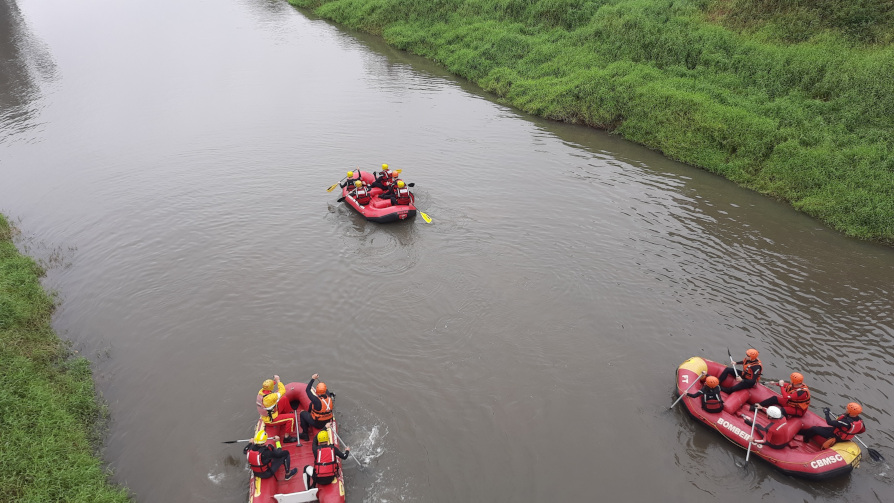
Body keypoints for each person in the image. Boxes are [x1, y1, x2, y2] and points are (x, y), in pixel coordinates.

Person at [799, 402, 866, 449]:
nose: (846, 409)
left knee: (814, 429)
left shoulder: (846, 422)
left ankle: (805, 440)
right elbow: (862, 430)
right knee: (818, 428)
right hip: (839, 433)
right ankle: (799, 432)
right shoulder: (860, 420)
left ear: (850, 411)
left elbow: (829, 422)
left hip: (836, 436)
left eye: (847, 409)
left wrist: (826, 413)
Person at [299, 373, 335, 441]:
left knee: (302, 413)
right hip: (327, 422)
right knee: (311, 404)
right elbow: (326, 390)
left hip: (317, 423)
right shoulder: (329, 398)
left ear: (317, 391)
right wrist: (321, 383)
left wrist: (313, 378)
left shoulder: (316, 400)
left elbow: (307, 390)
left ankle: (305, 434)